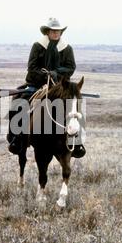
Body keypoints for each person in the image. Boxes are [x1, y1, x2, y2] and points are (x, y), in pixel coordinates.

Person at [6, 17, 86, 158]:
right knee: (19, 102)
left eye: (58, 31)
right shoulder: (38, 46)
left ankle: (77, 142)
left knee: (76, 108)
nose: (56, 33)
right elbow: (32, 67)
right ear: (47, 32)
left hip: (61, 86)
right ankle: (16, 138)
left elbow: (71, 67)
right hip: (37, 84)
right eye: (53, 31)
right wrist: (44, 76)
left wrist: (56, 73)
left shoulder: (67, 48)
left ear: (61, 32)